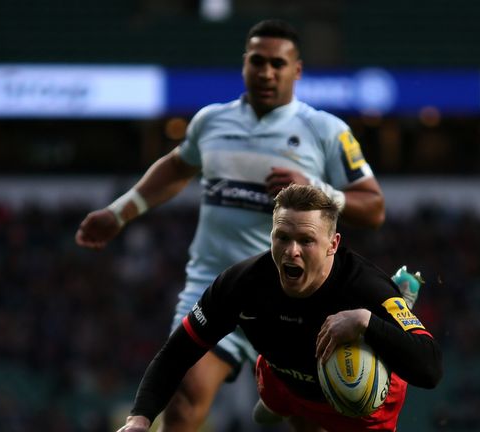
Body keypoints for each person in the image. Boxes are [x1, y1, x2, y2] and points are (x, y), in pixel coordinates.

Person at [76, 19, 388, 431]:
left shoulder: (325, 130)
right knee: (184, 396)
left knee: (306, 421)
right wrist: (119, 213)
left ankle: (280, 398)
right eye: (257, 61)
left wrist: (318, 189)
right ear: (244, 64)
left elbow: (374, 207)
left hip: (296, 295)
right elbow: (176, 167)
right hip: (218, 287)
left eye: (278, 63)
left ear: (296, 70)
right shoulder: (211, 121)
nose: (266, 72)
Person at [114, 184, 442, 432]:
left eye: (306, 240)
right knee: (274, 402)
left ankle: (398, 310)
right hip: (282, 379)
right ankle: (277, 403)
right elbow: (176, 353)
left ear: (333, 244)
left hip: (358, 409)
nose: (291, 251)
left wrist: (367, 322)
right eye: (282, 237)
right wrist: (139, 419)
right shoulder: (242, 283)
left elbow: (430, 369)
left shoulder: (366, 289)